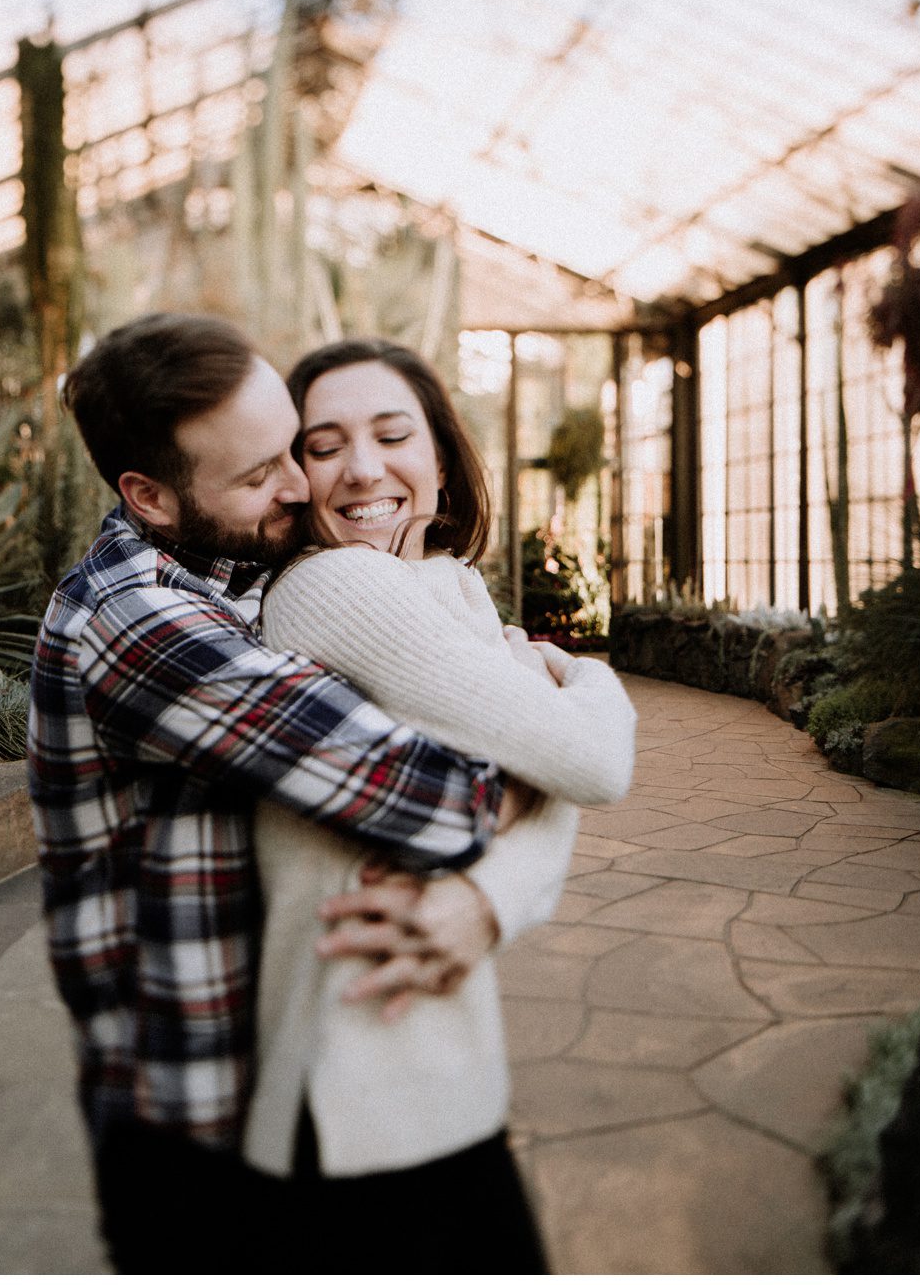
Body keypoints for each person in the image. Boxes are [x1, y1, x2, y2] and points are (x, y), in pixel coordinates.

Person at [29, 313, 526, 1273]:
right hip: (190, 1133)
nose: (302, 486)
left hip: (286, 1085)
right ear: (149, 496)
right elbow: (442, 799)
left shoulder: (239, 571)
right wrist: (538, 712)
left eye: (294, 447)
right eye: (262, 473)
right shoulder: (141, 623)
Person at [241, 338, 638, 1272]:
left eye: (392, 435)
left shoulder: (448, 591)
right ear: (294, 477)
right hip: (351, 1083)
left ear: (443, 464)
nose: (362, 468)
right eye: (324, 445)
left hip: (426, 1066)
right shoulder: (336, 587)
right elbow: (588, 761)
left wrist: (486, 899)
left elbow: (545, 772)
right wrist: (587, 680)